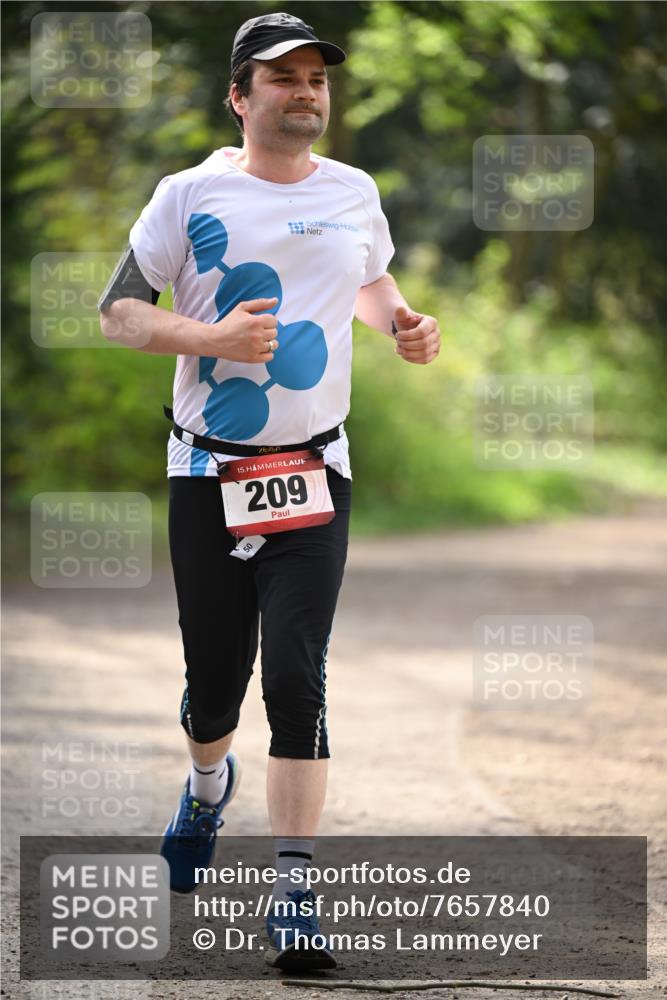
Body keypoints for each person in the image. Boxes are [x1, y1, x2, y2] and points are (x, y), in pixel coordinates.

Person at [98, 11, 440, 970]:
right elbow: (119, 313)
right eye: (279, 78)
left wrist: (402, 322)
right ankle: (207, 790)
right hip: (208, 469)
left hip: (312, 472)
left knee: (296, 676)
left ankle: (294, 898)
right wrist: (207, 339)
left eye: (314, 78)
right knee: (215, 685)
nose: (303, 91)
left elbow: (368, 283)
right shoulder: (188, 193)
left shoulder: (354, 192)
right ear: (239, 98)